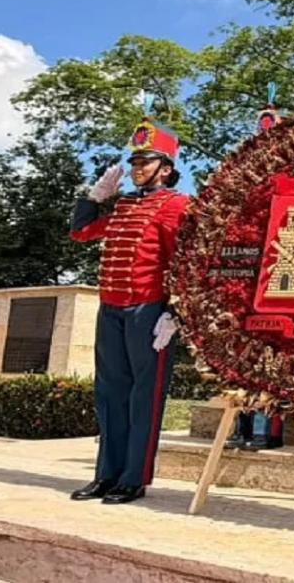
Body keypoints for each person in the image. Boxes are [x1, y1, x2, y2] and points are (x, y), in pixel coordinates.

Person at [68, 111, 189, 505]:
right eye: (134, 162)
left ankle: (133, 478)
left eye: (146, 161)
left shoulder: (177, 206)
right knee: (109, 394)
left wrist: (176, 312)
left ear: (166, 168)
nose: (137, 169)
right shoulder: (121, 207)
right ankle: (106, 474)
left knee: (144, 397)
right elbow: (81, 233)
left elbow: (186, 262)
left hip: (148, 312)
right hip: (112, 309)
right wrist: (92, 199)